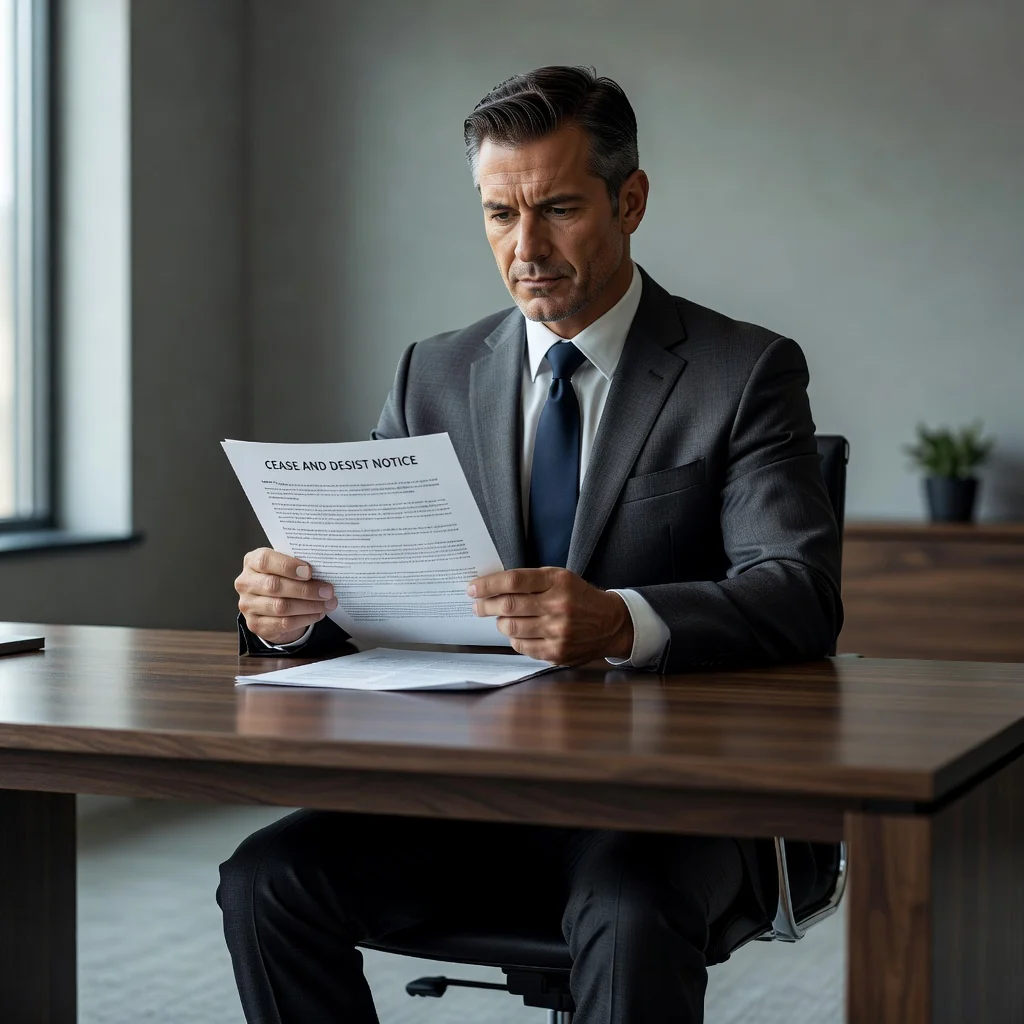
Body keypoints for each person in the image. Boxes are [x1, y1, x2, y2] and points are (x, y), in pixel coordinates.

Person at [219, 66, 842, 1024]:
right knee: (267, 881)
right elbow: (374, 600)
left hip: (668, 798)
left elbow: (797, 589)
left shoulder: (744, 370)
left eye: (556, 209)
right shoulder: (433, 371)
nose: (525, 247)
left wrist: (622, 621)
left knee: (628, 906)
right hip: (470, 790)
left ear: (629, 201)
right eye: (499, 214)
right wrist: (295, 617)